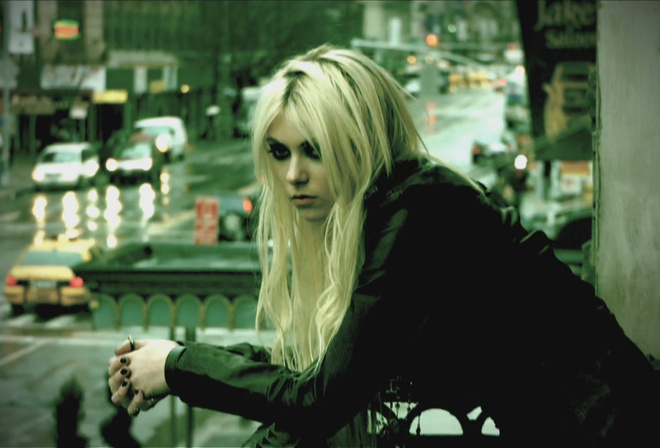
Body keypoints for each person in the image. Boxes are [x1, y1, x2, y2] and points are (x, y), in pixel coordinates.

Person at [108, 44, 660, 447]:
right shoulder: (398, 208)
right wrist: (174, 361)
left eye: (314, 150)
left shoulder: (420, 215)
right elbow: (322, 373)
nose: (293, 174)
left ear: (357, 142)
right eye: (279, 152)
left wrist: (179, 368)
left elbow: (320, 399)